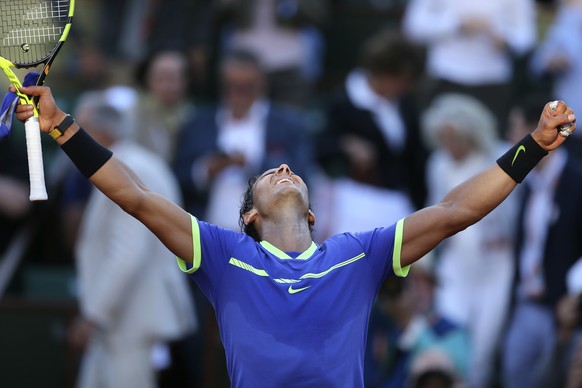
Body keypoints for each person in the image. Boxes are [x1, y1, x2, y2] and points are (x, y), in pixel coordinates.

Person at [13, 83, 575, 387]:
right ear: (250, 217)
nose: (283, 171)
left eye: (290, 171)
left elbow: (455, 209)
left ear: (312, 215)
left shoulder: (360, 254)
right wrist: (61, 124)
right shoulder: (224, 254)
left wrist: (534, 146)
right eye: (267, 175)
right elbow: (134, 195)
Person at [64, 93, 197, 388]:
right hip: (117, 322)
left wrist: (92, 316)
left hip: (132, 319)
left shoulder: (130, 168)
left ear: (98, 133)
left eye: (75, 131)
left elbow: (127, 253)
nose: (67, 144)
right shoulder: (128, 164)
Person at [421, 93, 516, 387]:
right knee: (452, 340)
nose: (448, 146)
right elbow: (431, 210)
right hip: (456, 265)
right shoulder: (438, 164)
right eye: (442, 138)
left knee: (484, 349)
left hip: (496, 265)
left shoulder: (499, 157)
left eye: (454, 138)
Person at [173, 49, 313, 229]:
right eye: (230, 86)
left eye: (246, 87)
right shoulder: (198, 123)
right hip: (206, 230)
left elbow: (301, 180)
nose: (237, 94)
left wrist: (253, 167)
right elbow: (177, 177)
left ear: (261, 84)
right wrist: (205, 170)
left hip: (266, 235)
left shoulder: (289, 126)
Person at [502, 94, 582, 388]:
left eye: (514, 127)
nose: (509, 136)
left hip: (565, 313)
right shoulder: (524, 182)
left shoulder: (577, 181)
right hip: (526, 306)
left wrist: (574, 295)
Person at [315, 29, 428, 237]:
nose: (405, 86)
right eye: (401, 79)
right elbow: (321, 147)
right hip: (354, 208)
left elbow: (416, 159)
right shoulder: (343, 103)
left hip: (400, 207)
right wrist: (346, 145)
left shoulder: (406, 104)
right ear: (381, 73)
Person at [401, 0, 537, 135]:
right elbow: (413, 26)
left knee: (488, 140)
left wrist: (505, 40)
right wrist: (457, 24)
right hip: (445, 75)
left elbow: (526, 37)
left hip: (491, 81)